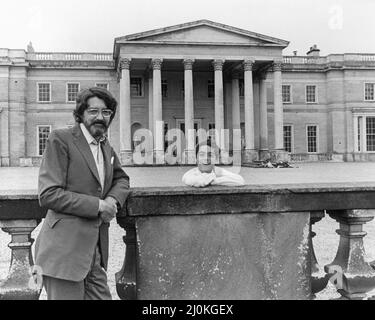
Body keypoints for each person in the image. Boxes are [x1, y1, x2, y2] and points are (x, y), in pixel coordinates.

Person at [34, 87, 130, 300]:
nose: (100, 117)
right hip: (63, 253)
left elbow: (122, 179)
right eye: (93, 111)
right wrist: (98, 205)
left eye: (106, 112)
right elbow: (49, 194)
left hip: (93, 254)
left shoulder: (105, 146)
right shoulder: (61, 139)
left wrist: (112, 200)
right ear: (81, 113)